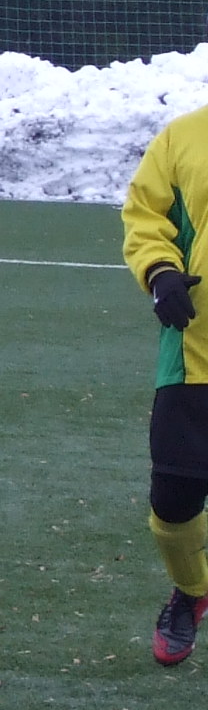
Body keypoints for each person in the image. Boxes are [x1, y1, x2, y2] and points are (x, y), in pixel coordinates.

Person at [121, 101, 208, 665]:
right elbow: (145, 217)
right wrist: (161, 272)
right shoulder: (183, 137)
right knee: (174, 500)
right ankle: (192, 591)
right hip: (196, 351)